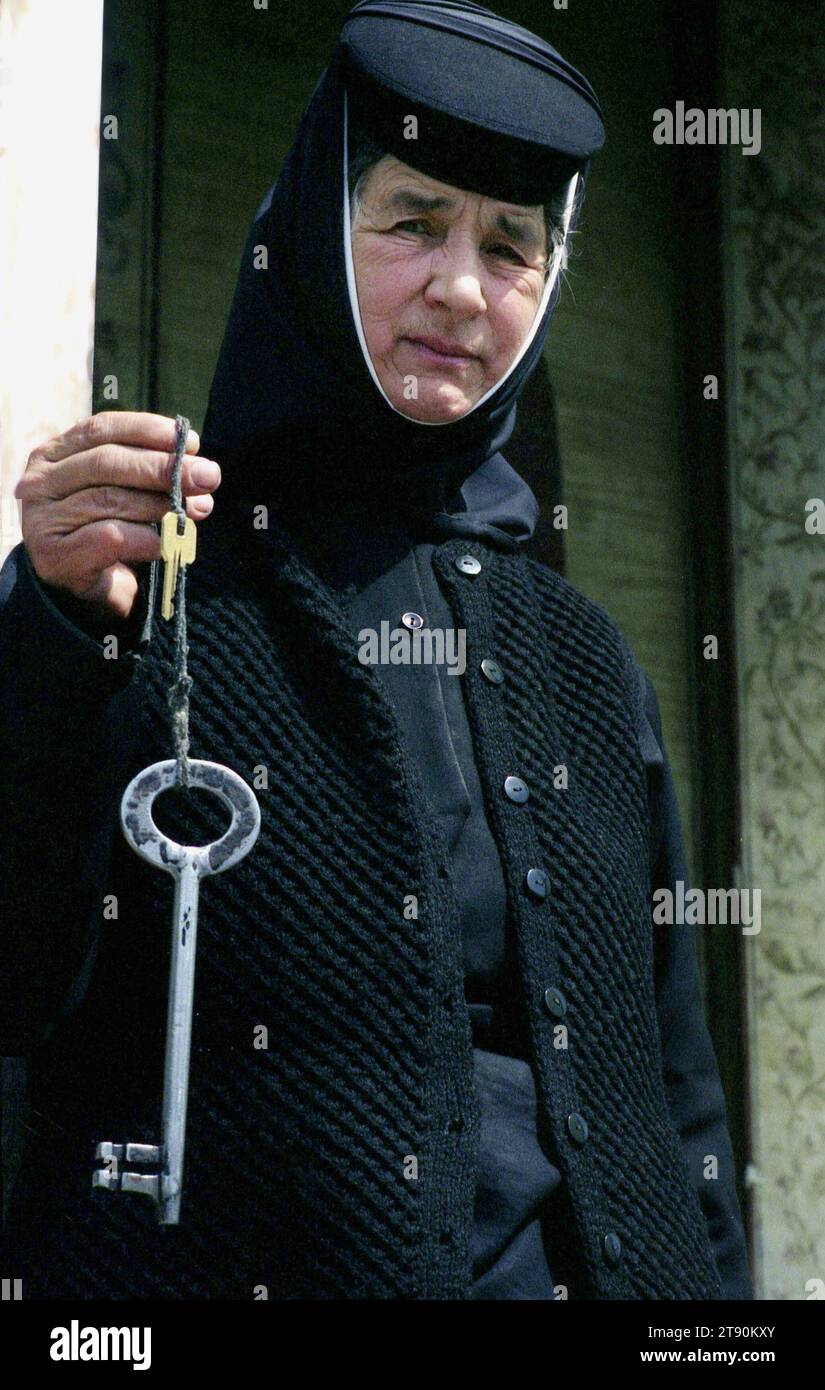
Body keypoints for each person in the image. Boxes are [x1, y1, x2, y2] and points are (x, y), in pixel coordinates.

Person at [0, 0, 752, 1299]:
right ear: (309, 227)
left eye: (511, 244)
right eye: (411, 221)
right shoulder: (145, 584)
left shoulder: (586, 660)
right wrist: (48, 631)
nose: (461, 287)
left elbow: (676, 1089)